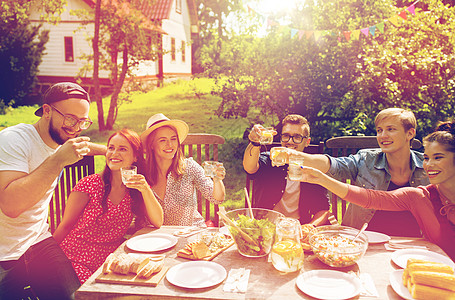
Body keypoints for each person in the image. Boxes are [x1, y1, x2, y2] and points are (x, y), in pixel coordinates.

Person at [0, 82, 106, 299]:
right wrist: (58, 160)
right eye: (70, 119)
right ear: (47, 111)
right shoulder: (14, 140)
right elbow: (11, 206)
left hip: (37, 240)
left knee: (74, 297)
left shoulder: (61, 138)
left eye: (82, 121)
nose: (75, 128)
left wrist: (113, 151)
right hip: (4, 250)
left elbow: (85, 146)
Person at [297, 120, 455, 260]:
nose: (428, 165)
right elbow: (371, 198)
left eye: (438, 157)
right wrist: (322, 179)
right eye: (426, 158)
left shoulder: (422, 179)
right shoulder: (419, 196)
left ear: (410, 133)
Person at [295, 108, 429, 236]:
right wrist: (295, 156)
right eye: (379, 130)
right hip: (361, 240)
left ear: (410, 133)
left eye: (391, 129)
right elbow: (334, 165)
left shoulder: (428, 166)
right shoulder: (365, 160)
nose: (383, 136)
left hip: (413, 244)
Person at [53, 129, 164, 284]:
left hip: (110, 261)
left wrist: (145, 189)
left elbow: (158, 221)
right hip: (75, 258)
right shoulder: (89, 184)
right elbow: (64, 227)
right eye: (111, 148)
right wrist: (45, 261)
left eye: (122, 149)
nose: (114, 153)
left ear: (135, 157)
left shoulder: (135, 189)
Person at [243, 114, 330, 226]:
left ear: (307, 141)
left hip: (296, 228)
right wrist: (255, 143)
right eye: (286, 136)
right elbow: (249, 167)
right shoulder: (270, 160)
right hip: (265, 227)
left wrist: (309, 227)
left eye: (297, 137)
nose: (290, 141)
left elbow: (323, 210)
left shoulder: (313, 169)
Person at [140, 113, 226, 226]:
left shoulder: (189, 167)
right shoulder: (142, 173)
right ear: (151, 145)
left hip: (189, 234)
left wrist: (217, 180)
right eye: (162, 140)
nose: (170, 145)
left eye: (173, 139)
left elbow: (217, 199)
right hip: (156, 237)